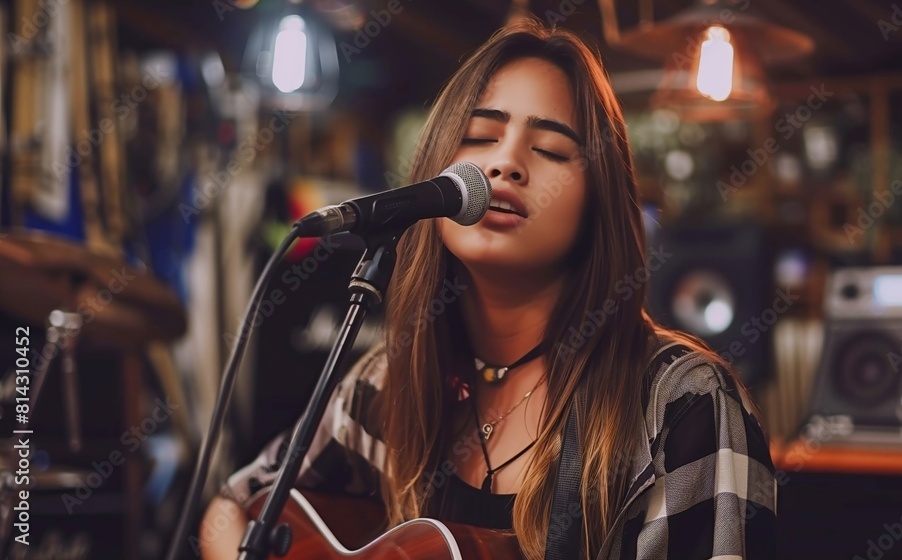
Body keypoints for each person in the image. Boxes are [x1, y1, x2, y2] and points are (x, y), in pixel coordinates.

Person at [200, 18, 776, 560]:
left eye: (550, 149)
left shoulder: (684, 406)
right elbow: (231, 509)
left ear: (599, 203)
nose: (506, 163)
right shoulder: (384, 384)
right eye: (479, 137)